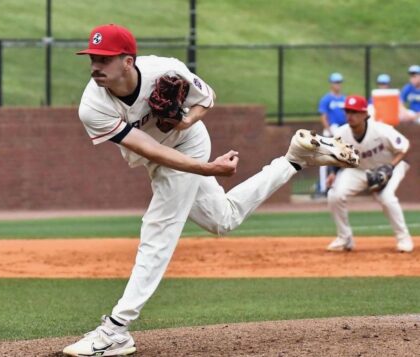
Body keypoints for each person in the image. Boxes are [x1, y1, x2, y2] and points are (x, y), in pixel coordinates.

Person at [63, 23, 359, 357]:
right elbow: (149, 148)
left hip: (189, 144)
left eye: (104, 59)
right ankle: (294, 160)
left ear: (128, 61)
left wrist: (186, 122)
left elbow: (207, 97)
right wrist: (211, 169)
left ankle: (116, 329)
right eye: (92, 57)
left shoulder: (166, 69)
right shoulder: (93, 105)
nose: (94, 66)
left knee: (159, 229)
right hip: (162, 157)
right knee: (223, 219)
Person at [326, 95, 413, 253]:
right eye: (348, 111)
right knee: (335, 195)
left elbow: (404, 147)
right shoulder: (341, 133)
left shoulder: (381, 130)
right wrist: (332, 173)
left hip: (392, 166)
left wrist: (389, 168)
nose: (350, 116)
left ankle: (403, 239)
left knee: (387, 198)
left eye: (355, 112)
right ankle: (345, 239)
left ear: (365, 114)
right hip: (359, 170)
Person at [316, 72, 347, 195]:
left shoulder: (344, 99)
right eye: (335, 82)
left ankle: (336, 188)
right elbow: (323, 116)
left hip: (342, 131)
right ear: (331, 84)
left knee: (340, 160)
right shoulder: (326, 99)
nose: (337, 85)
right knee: (324, 161)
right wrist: (328, 130)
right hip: (330, 131)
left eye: (339, 82)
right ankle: (323, 188)